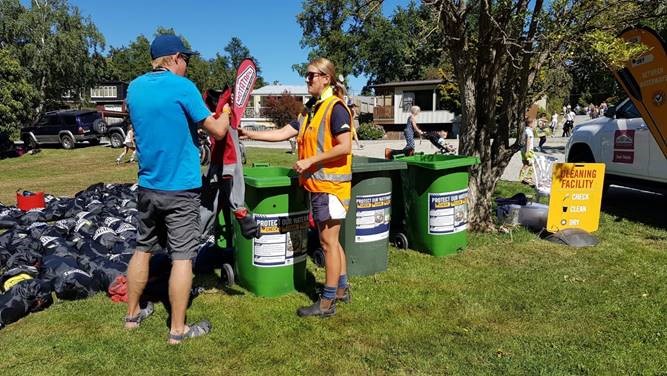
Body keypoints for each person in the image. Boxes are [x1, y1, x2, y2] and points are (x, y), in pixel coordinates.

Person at [124, 34, 231, 344]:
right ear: (172, 59)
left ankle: (132, 316)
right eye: (186, 59)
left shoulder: (134, 88)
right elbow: (217, 131)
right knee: (183, 257)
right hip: (181, 188)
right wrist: (224, 113)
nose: (187, 65)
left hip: (147, 185)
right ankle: (178, 330)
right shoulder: (183, 87)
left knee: (142, 249)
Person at [239, 57, 352, 317]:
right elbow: (282, 133)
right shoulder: (310, 109)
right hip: (319, 185)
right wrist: (251, 134)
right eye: (307, 74)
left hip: (331, 187)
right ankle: (342, 289)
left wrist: (311, 160)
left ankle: (327, 302)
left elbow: (344, 146)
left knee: (327, 243)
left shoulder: (336, 108)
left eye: (312, 75)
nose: (307, 79)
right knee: (331, 241)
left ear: (326, 78)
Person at [519, 118, 536, 185]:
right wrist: (527, 150)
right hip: (528, 150)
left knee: (525, 164)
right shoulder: (529, 131)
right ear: (531, 124)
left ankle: (521, 178)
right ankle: (528, 177)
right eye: (534, 123)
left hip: (523, 149)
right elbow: (528, 140)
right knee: (533, 164)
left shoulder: (524, 130)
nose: (535, 125)